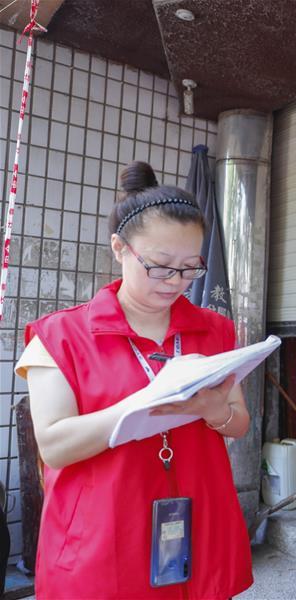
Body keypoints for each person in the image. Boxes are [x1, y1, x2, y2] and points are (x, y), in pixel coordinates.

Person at [14, 162, 253, 598]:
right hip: (103, 535)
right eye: (160, 266)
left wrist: (211, 409)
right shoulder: (60, 336)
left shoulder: (213, 329)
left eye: (190, 268)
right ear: (119, 248)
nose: (176, 282)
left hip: (198, 516)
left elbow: (238, 423)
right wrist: (143, 404)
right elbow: (54, 445)